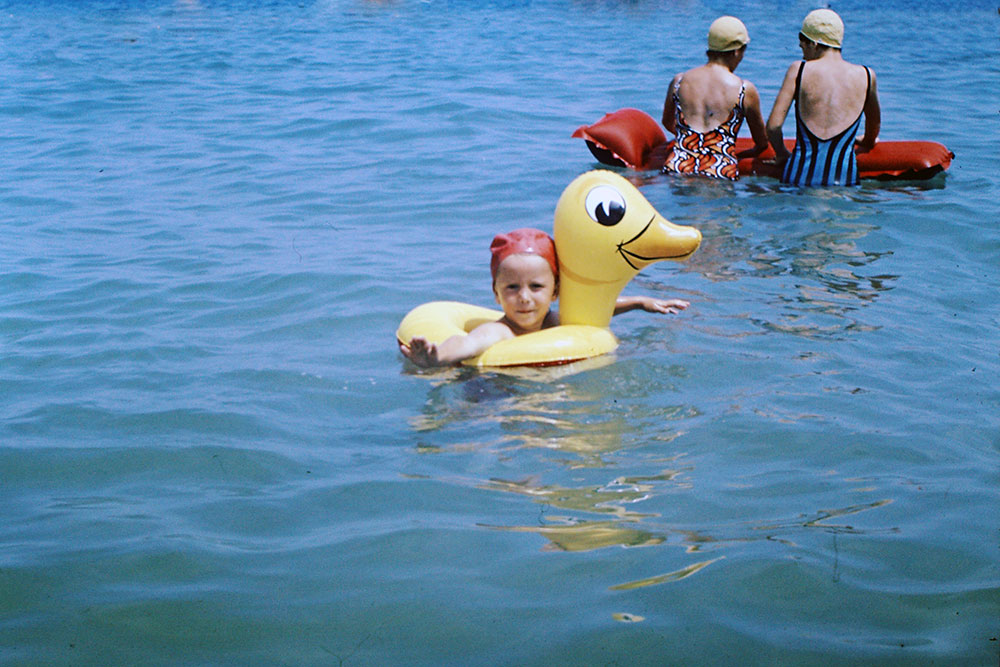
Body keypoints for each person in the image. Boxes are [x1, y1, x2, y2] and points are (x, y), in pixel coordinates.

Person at [399, 228, 690, 368]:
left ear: (555, 291)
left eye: (536, 286)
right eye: (512, 288)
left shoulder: (555, 321)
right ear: (496, 294)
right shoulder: (498, 331)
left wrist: (640, 303)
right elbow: (466, 343)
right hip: (493, 394)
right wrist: (437, 357)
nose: (524, 297)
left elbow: (594, 307)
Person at [766, 8, 881, 186]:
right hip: (844, 181)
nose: (802, 54)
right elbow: (874, 127)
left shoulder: (799, 70)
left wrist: (781, 153)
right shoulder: (866, 75)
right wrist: (865, 141)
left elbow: (773, 127)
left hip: (798, 179)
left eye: (803, 45)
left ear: (814, 44)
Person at [661, 16, 769, 181]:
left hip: (677, 167)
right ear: (737, 51)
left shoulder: (679, 81)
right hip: (719, 172)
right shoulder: (744, 89)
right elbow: (761, 142)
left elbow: (667, 122)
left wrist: (691, 139)